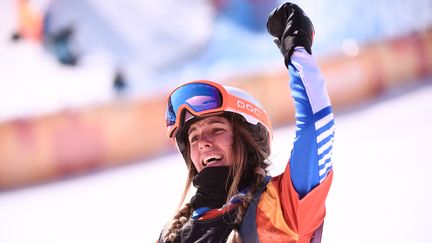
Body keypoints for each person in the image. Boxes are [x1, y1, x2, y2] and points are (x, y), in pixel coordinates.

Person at [158, 2, 335, 243]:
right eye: (194, 137)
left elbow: (317, 126)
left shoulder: (278, 209)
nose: (203, 143)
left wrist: (298, 50)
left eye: (216, 129)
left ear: (248, 139)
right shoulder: (174, 235)